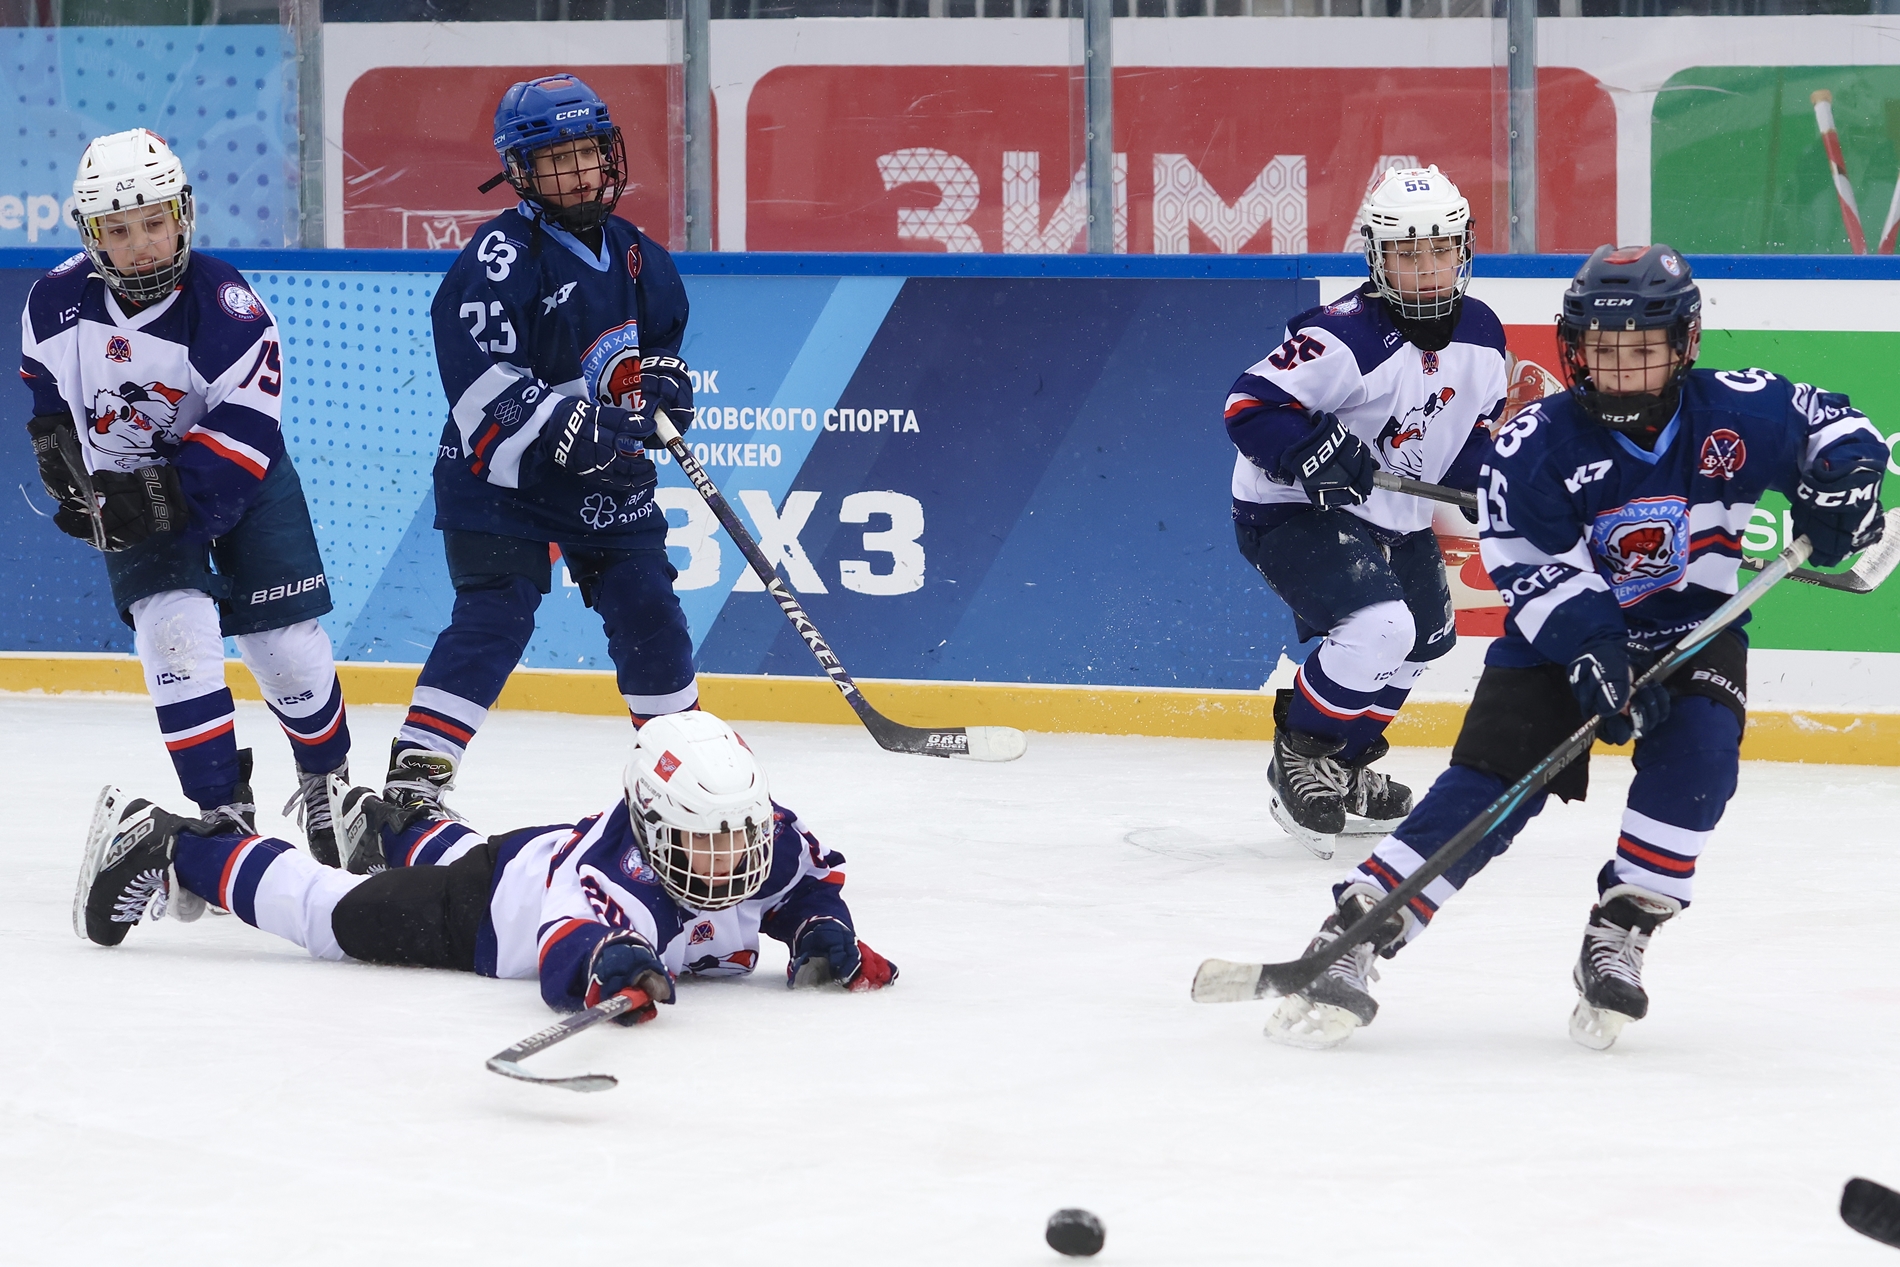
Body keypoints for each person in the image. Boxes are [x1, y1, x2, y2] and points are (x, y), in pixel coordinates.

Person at [1265, 244, 1887, 1052]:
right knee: (1487, 793)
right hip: (1557, 646)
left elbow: (1836, 425)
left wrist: (1844, 480)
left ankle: (1623, 923)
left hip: (1691, 634)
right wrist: (1595, 653)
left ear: (1685, 344)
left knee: (1701, 761)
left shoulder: (1739, 411)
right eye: (1603, 350)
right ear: (1575, 347)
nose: (1622, 370)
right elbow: (1531, 570)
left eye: (1644, 351)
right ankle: (1354, 932)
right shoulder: (1533, 447)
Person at [73, 710, 899, 1014]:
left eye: (738, 836)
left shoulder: (760, 835)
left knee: (476, 850)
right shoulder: (611, 875)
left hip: (524, 854)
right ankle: (168, 840)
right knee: (332, 915)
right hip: (484, 913)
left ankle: (392, 820)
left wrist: (825, 927)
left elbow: (802, 886)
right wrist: (611, 963)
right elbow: (566, 944)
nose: (729, 861)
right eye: (704, 839)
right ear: (650, 828)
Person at [20, 128, 351, 862]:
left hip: (246, 484)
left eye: (154, 221)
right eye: (118, 228)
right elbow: (45, 391)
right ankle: (222, 808)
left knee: (285, 650)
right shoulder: (52, 305)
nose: (140, 244)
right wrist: (56, 451)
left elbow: (240, 440)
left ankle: (329, 777)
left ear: (183, 216)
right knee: (174, 635)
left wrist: (157, 497)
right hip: (129, 486)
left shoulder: (228, 308)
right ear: (90, 232)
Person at [387, 73, 700, 813]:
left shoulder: (639, 257)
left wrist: (664, 392)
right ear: (523, 173)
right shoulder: (497, 259)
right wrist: (575, 429)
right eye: (557, 160)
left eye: (587, 153)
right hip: (498, 478)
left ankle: (684, 771)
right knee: (498, 612)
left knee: (650, 607)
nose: (579, 172)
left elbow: (658, 359)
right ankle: (413, 780)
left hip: (604, 479)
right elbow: (480, 386)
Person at [1223, 165, 1509, 859]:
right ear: (1377, 258)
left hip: (1395, 514)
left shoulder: (1484, 334)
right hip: (1290, 508)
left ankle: (1344, 765)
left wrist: (1504, 489)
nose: (1426, 268)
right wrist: (1311, 452)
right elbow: (1247, 405)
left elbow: (1472, 440)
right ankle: (1301, 750)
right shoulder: (1342, 337)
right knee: (1381, 624)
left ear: (1463, 251)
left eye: (1440, 250)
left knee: (1428, 638)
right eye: (1407, 253)